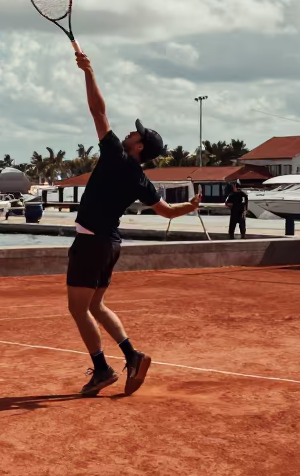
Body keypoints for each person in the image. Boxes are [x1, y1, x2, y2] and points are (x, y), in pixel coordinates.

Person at [69, 50, 203, 397]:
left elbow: (98, 111)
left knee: (78, 307)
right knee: (95, 305)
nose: (130, 132)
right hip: (110, 244)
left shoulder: (115, 155)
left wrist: (89, 71)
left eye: (136, 133)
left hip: (92, 242)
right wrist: (190, 205)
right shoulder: (141, 180)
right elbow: (168, 213)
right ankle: (133, 355)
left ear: (138, 146)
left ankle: (101, 369)